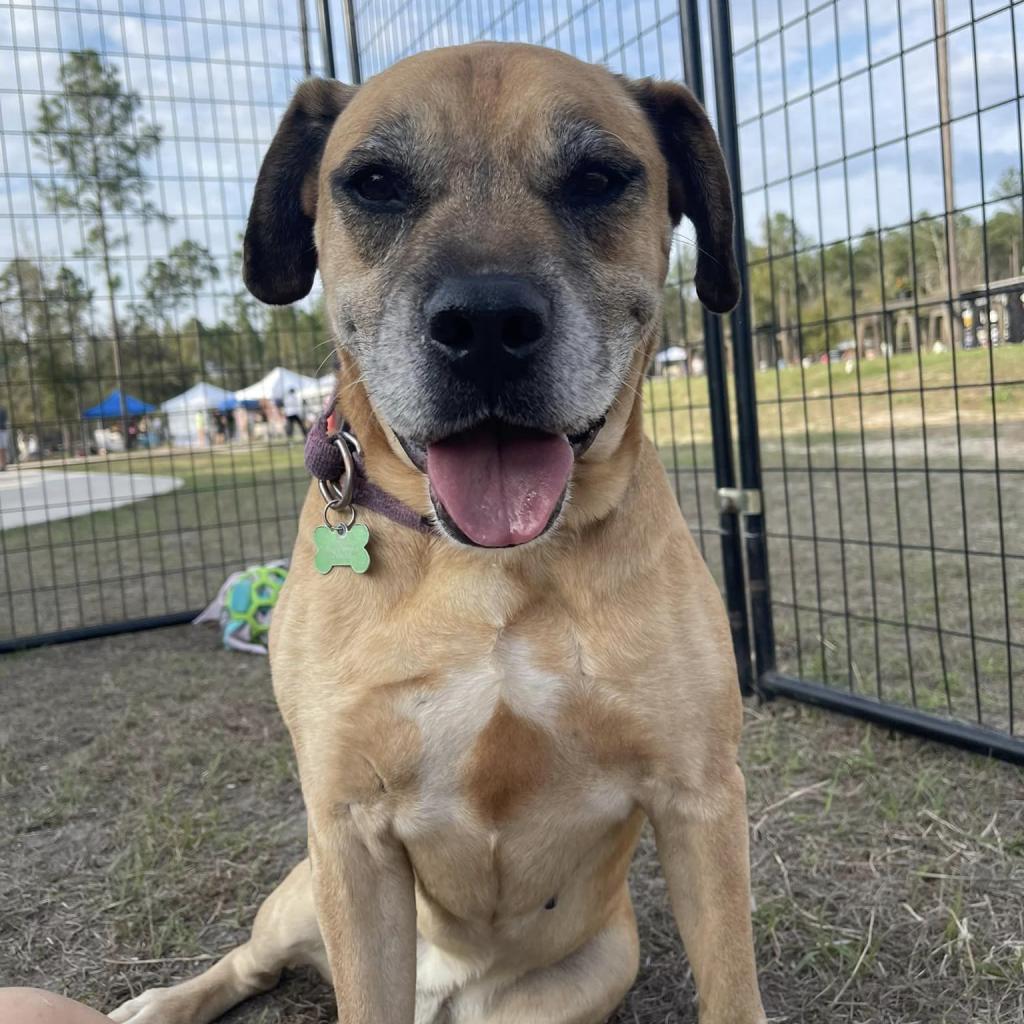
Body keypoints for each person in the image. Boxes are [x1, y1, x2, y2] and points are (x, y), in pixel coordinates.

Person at [0, 402, 8, 470]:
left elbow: (5, 420)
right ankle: (2, 465)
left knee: (3, 449)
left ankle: (4, 465)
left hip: (3, 431)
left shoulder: (3, 410)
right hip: (2, 431)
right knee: (1, 449)